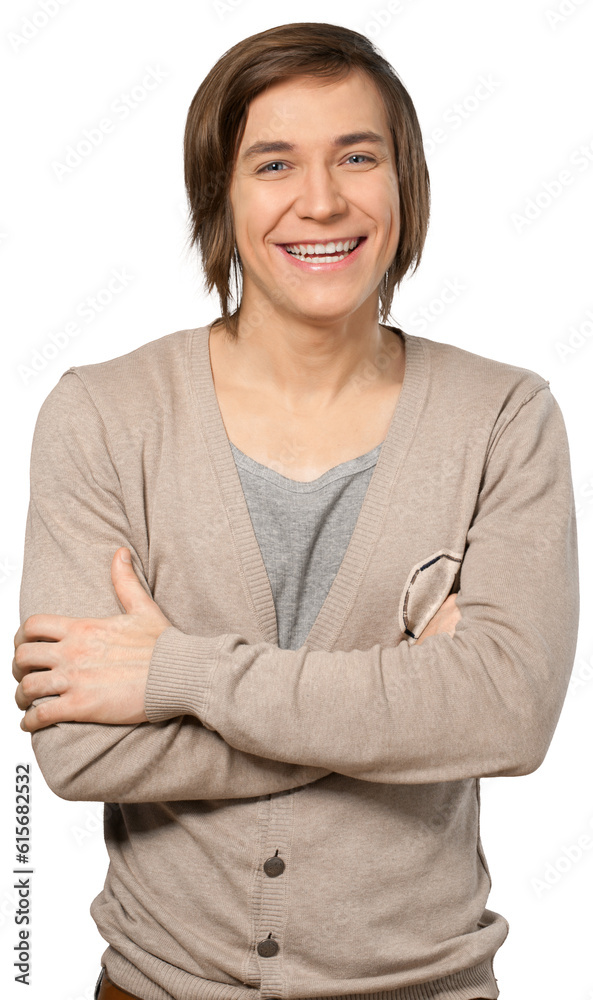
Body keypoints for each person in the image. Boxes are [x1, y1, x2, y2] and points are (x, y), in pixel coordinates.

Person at [13, 21, 578, 1000]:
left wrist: (174, 672)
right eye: (273, 163)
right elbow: (80, 744)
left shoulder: (503, 417)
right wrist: (401, 704)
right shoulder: (100, 414)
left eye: (356, 157)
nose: (322, 200)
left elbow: (505, 715)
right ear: (219, 200)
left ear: (404, 184)